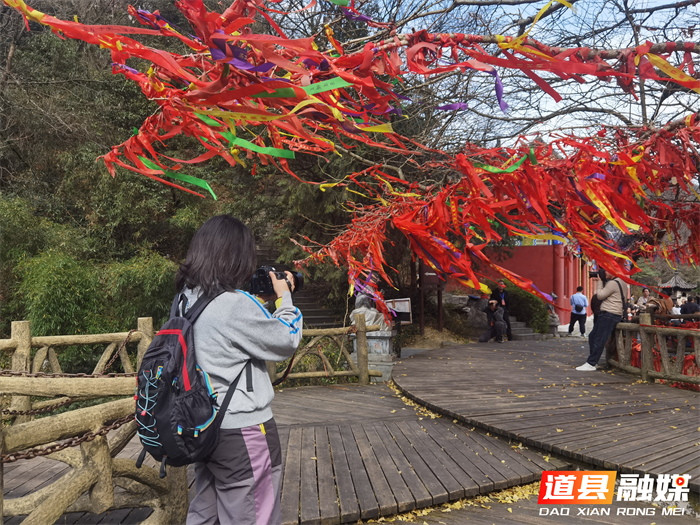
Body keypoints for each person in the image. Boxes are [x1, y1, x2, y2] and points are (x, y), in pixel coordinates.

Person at [182, 215, 303, 525]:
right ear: (236, 256)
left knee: (205, 510)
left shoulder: (186, 299)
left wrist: (258, 301)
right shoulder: (233, 305)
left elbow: (230, 334)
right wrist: (284, 297)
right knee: (254, 515)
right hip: (243, 431)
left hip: (204, 424)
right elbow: (287, 338)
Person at [576, 269, 625, 371]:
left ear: (613, 271)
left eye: (606, 271)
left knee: (599, 339)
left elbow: (600, 295)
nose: (604, 273)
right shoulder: (621, 282)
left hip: (609, 314)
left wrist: (599, 282)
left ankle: (591, 363)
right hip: (611, 314)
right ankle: (593, 361)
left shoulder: (612, 283)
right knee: (593, 336)